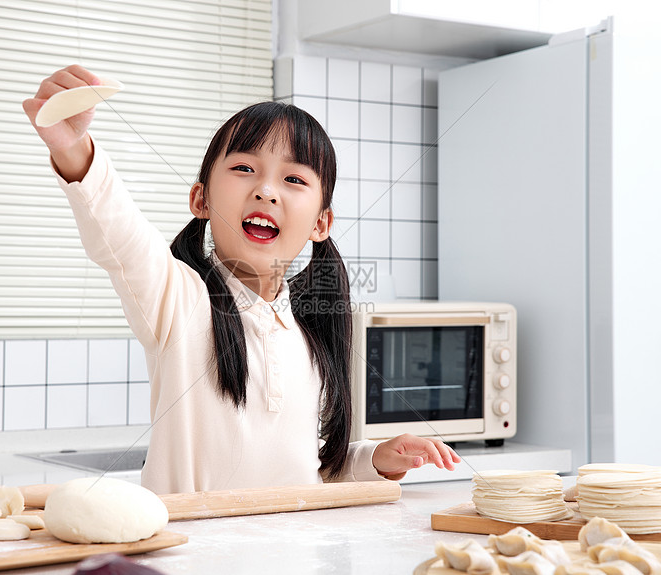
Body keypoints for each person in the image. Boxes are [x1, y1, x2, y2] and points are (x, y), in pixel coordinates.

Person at [23, 65, 461, 494]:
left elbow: (301, 471)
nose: (266, 190)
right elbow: (118, 234)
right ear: (201, 199)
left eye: (293, 178)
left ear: (321, 224)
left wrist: (372, 459)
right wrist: (74, 148)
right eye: (244, 169)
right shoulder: (177, 299)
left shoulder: (307, 329)